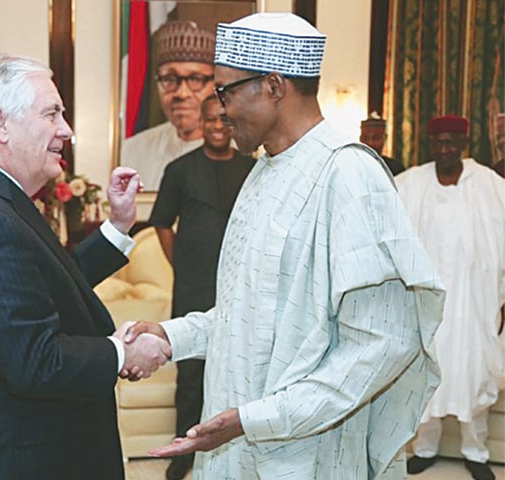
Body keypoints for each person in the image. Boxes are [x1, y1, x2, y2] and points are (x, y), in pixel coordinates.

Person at [125, 13, 445, 479]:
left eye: (226, 91)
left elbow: (382, 342)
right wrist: (172, 336)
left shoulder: (349, 176)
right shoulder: (263, 171)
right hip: (238, 439)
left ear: (274, 86)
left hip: (307, 454)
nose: (218, 109)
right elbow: (251, 313)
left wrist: (256, 419)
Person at [0, 54, 171, 480]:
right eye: (52, 113)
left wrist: (118, 226)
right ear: (0, 123)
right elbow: (35, 361)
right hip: (12, 461)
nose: (66, 130)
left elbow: (47, 281)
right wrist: (122, 352)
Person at [149, 94, 255, 480]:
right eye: (210, 120)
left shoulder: (252, 168)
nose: (216, 127)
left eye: (224, 121)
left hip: (242, 286)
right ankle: (184, 450)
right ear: (201, 122)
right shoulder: (179, 169)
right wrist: (182, 264)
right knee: (191, 373)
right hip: (193, 285)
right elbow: (161, 222)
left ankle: (236, 447)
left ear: (231, 123)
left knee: (241, 366)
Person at [396, 114, 505, 480]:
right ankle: (424, 448)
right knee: (429, 375)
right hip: (427, 307)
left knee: (473, 375)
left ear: (463, 145)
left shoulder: (489, 185)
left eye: (451, 143)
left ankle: (476, 453)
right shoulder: (410, 183)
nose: (445, 150)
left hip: (474, 302)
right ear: (430, 144)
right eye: (438, 143)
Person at [121, 20, 216, 191]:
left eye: (195, 79)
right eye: (170, 80)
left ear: (216, 85)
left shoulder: (241, 151)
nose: (182, 93)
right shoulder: (132, 150)